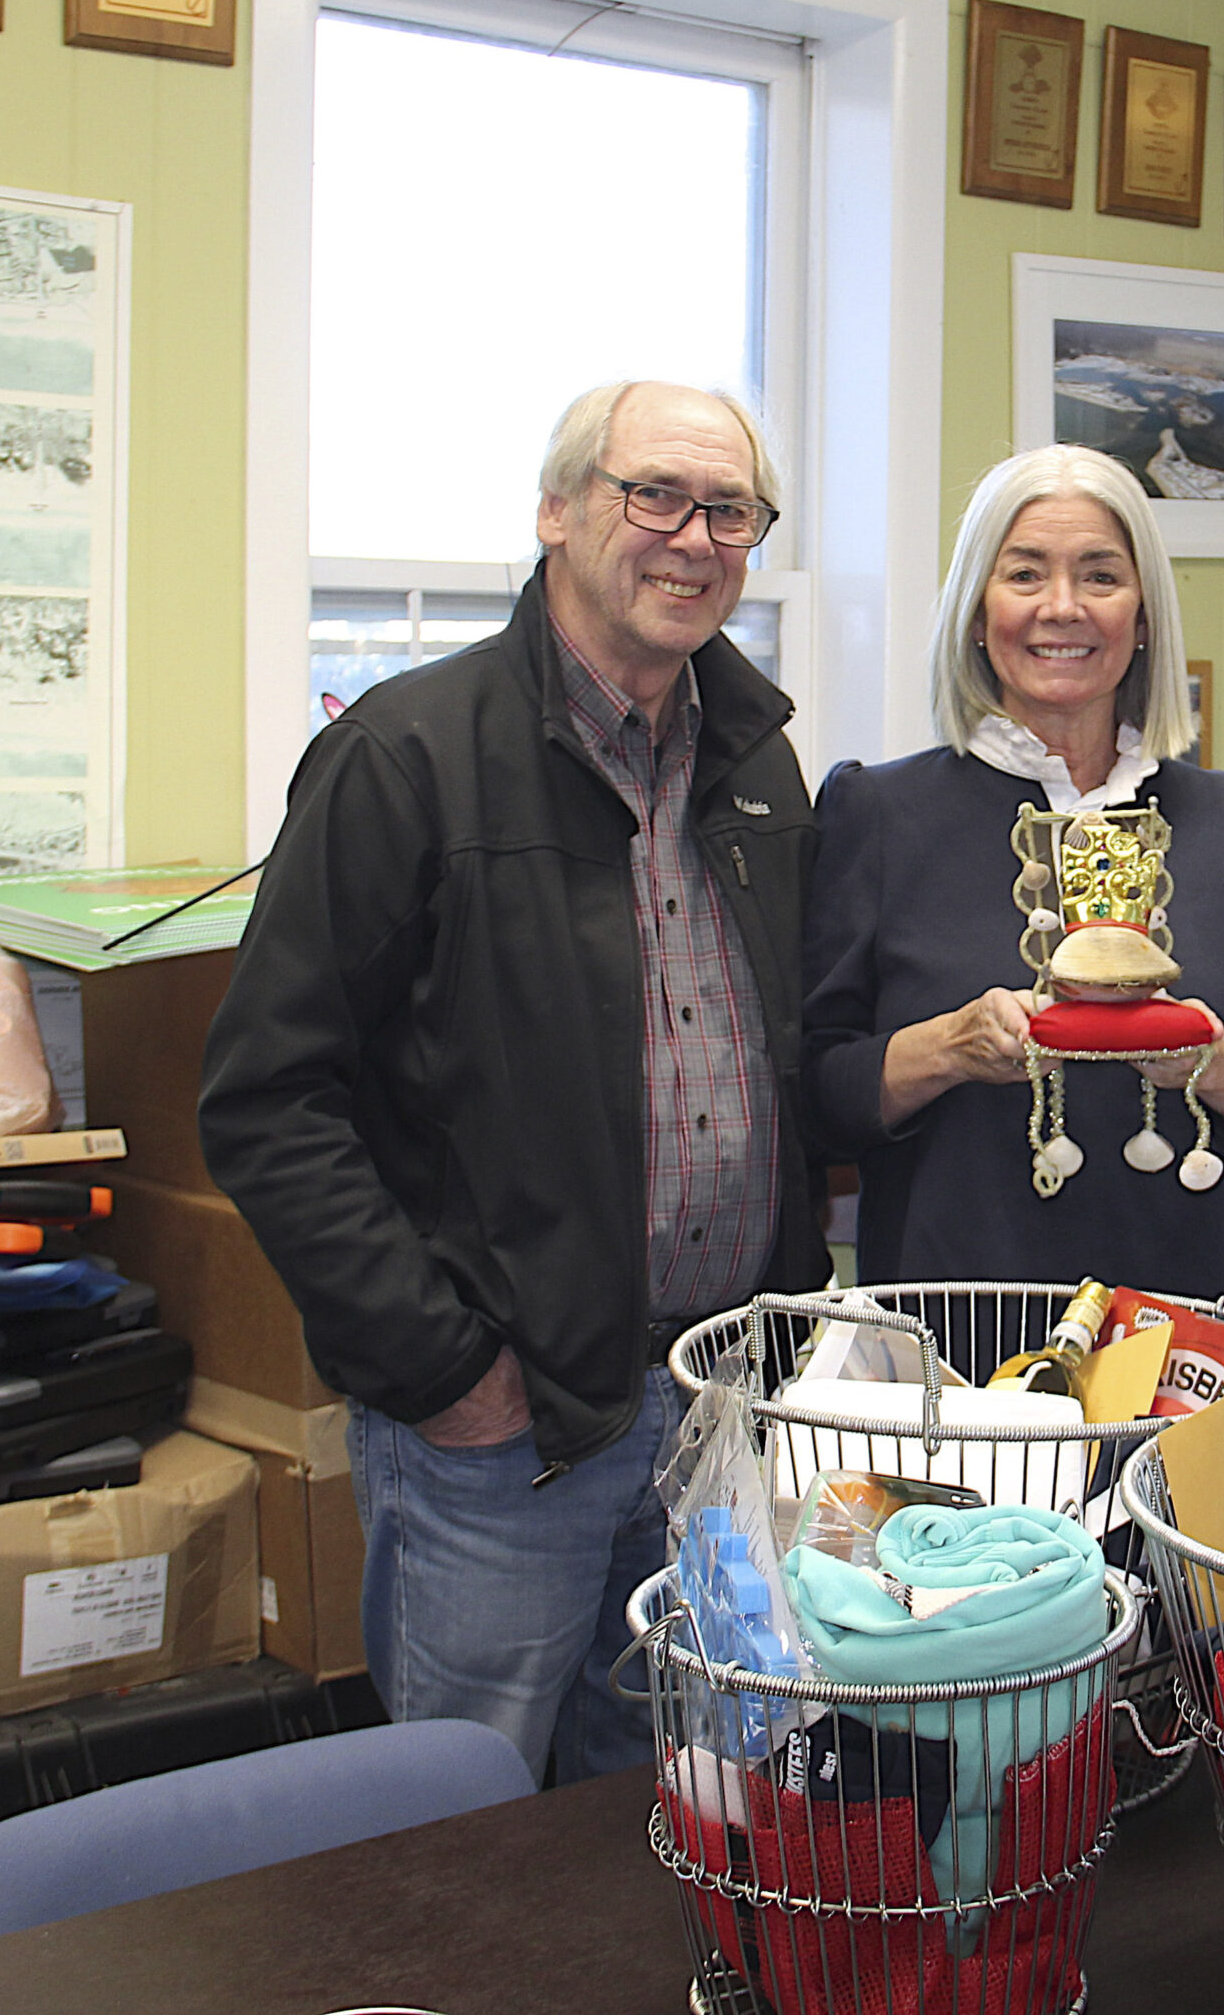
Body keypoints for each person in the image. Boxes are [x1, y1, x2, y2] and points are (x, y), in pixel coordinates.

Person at [199, 380, 828, 1781]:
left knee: (683, 1799)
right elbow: (266, 1099)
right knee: (463, 1836)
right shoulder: (404, 758)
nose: (693, 536)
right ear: (555, 511)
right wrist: (442, 1368)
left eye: (730, 509)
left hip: (717, 1407)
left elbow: (779, 1060)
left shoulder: (755, 766)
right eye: (652, 494)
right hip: (504, 1434)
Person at [804, 445, 1224, 1317]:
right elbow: (813, 1099)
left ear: (1143, 616)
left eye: (1100, 576)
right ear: (976, 611)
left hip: (1201, 1342)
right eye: (1025, 573)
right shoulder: (876, 812)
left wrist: (1214, 1065)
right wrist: (946, 1049)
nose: (1061, 607)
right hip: (959, 1348)